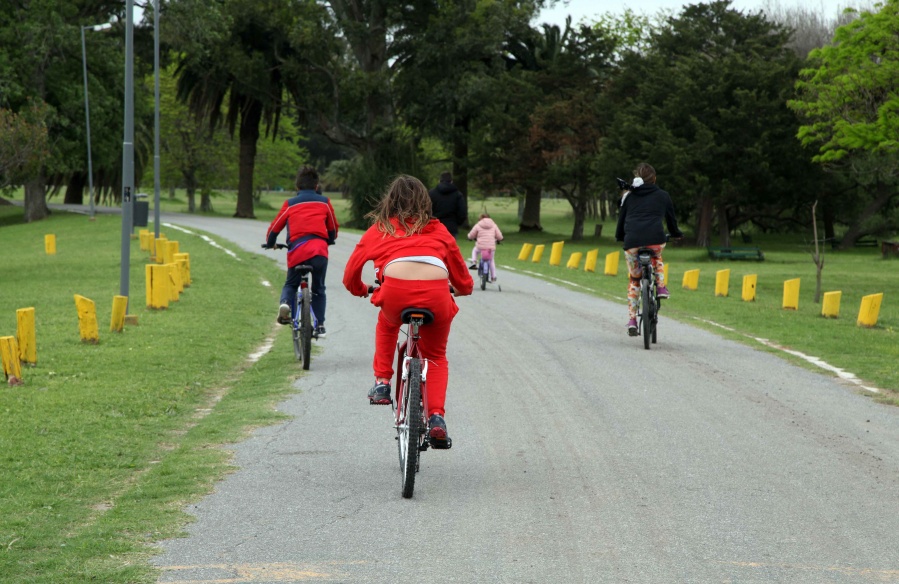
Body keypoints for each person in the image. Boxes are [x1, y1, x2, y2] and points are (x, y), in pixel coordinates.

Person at [343, 175, 473, 448]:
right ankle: (436, 417)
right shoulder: (438, 230)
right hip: (437, 294)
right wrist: (459, 289)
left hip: (395, 294)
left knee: (387, 324)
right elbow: (463, 280)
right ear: (426, 202)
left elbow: (350, 275)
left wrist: (361, 289)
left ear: (390, 201)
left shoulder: (380, 229)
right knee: (436, 355)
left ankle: (381, 383)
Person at [265, 166, 339, 337]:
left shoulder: (290, 204)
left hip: (297, 251)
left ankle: (285, 304)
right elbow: (333, 227)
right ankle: (320, 325)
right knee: (319, 287)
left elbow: (275, 228)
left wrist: (270, 243)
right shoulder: (325, 202)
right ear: (316, 186)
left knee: (291, 284)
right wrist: (330, 239)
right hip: (319, 251)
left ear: (297, 187)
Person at [614, 162, 683, 336]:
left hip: (632, 242)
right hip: (655, 239)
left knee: (634, 279)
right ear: (654, 179)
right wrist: (676, 233)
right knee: (657, 257)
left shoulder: (629, 196)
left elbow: (621, 221)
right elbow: (671, 220)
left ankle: (632, 320)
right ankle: (660, 286)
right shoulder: (663, 196)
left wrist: (620, 237)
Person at [428, 171, 467, 236]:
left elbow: (426, 210)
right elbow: (462, 213)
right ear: (451, 181)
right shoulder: (457, 194)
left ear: (439, 181)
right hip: (451, 227)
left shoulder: (431, 193)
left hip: (435, 226)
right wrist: (457, 223)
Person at [467, 212, 503, 282]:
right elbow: (499, 236)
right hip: (490, 247)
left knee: (475, 250)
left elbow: (472, 234)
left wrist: (469, 237)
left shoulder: (478, 225)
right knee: (491, 260)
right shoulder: (494, 225)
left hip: (480, 246)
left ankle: (474, 262)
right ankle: (493, 276)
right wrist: (500, 239)